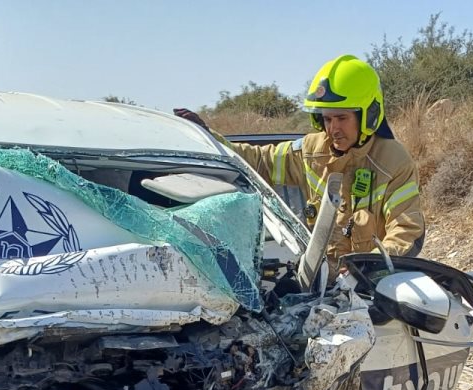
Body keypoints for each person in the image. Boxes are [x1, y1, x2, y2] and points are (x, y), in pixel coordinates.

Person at [175, 55, 424, 262]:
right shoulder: (311, 150)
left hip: (369, 287)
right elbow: (260, 161)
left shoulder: (392, 161)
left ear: (368, 115)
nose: (333, 129)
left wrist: (370, 267)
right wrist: (210, 138)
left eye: (342, 118)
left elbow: (406, 230)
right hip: (321, 281)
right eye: (327, 119)